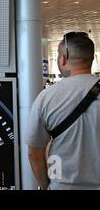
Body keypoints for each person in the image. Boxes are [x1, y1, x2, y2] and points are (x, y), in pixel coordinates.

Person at [27, 32, 100, 190]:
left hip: (63, 185)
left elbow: (35, 152)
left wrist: (46, 186)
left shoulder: (47, 97)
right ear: (92, 58)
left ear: (63, 58)